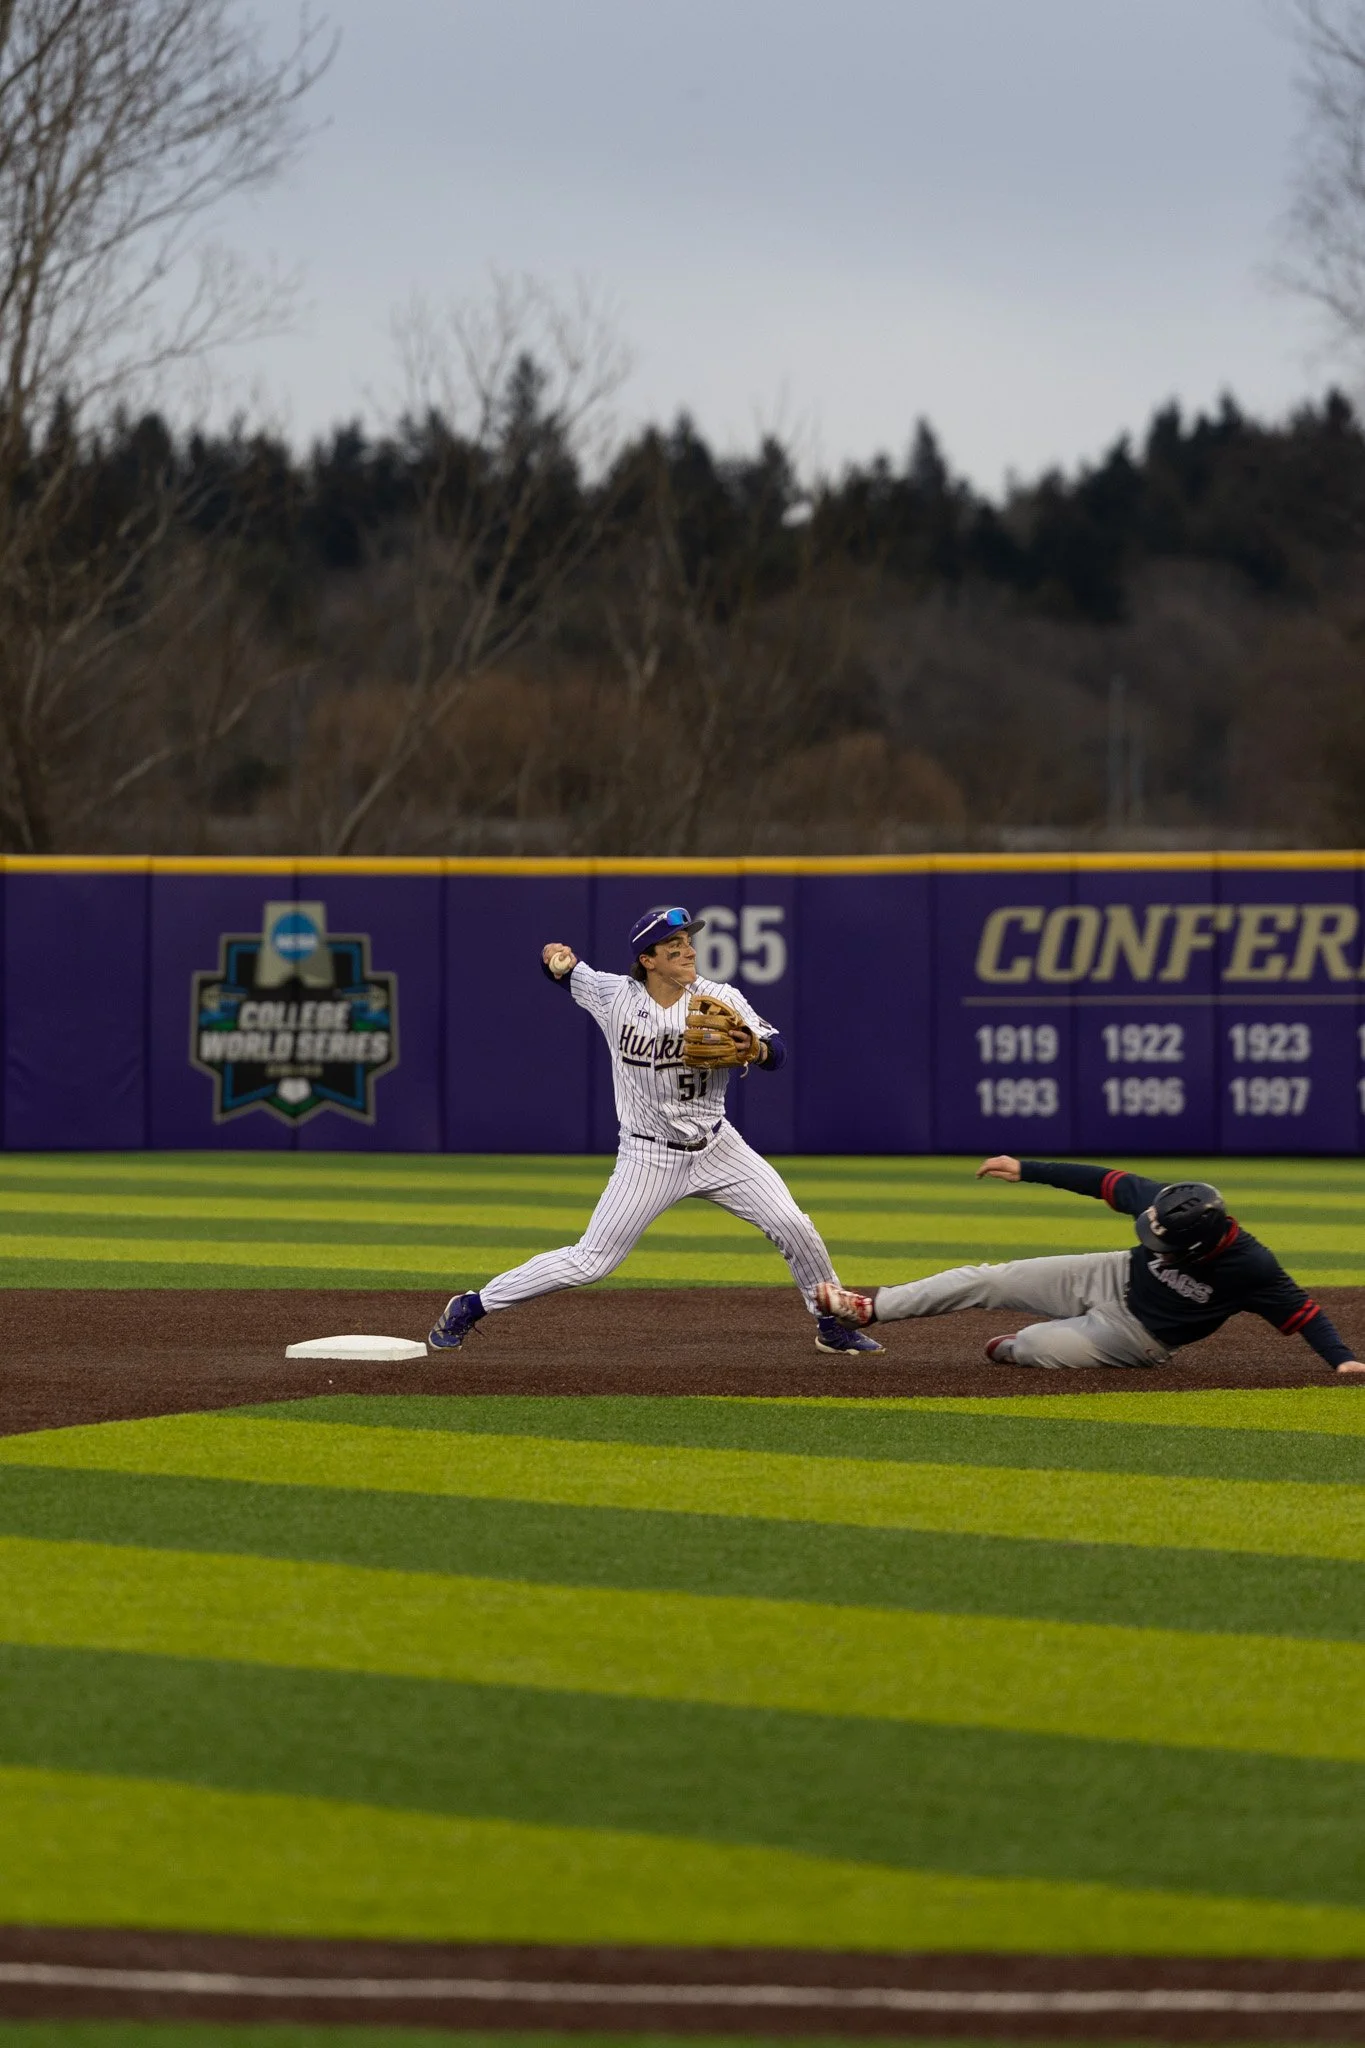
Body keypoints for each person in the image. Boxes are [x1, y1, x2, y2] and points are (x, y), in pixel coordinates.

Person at [430, 904, 881, 1355]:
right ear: (648, 960)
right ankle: (473, 1305)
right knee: (592, 1261)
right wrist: (553, 957)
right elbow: (563, 972)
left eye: (688, 941)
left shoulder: (719, 996)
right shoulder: (614, 994)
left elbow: (777, 1050)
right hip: (648, 1156)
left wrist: (756, 1048)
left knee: (792, 1224)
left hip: (718, 1147)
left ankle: (832, 1324)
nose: (688, 950)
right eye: (674, 945)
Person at [815, 1154, 1363, 1374]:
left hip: (1137, 1337)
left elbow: (1306, 1315)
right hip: (1109, 1273)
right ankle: (870, 1309)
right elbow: (1098, 1179)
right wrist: (1027, 1168)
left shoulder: (1253, 1267)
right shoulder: (1167, 1202)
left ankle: (1027, 1344)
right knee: (991, 1278)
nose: (1153, 1234)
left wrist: (1341, 1361)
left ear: (1199, 1246)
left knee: (1027, 1346)